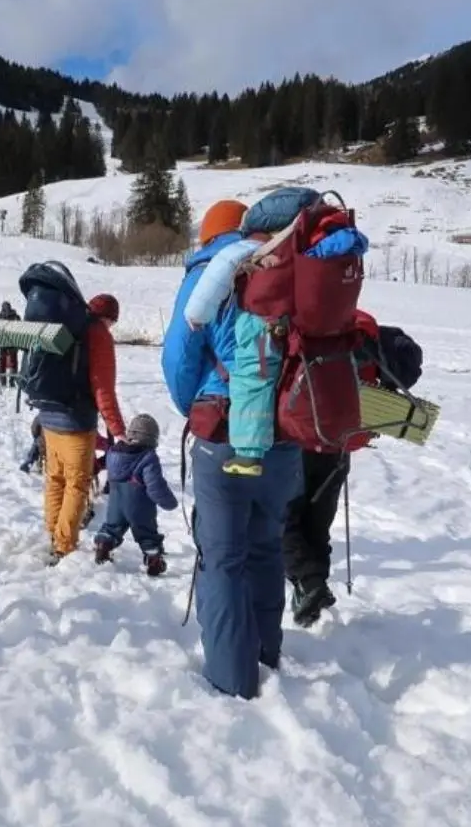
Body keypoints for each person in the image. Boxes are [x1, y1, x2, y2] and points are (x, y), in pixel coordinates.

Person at [161, 199, 302, 699]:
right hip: (286, 438)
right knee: (266, 547)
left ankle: (231, 679)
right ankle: (266, 655)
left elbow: (178, 357)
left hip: (223, 435)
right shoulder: (293, 265)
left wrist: (195, 408)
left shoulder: (210, 273)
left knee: (222, 559)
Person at [184, 200, 368, 477]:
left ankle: (248, 454)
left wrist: (197, 315)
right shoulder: (306, 247)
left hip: (259, 323)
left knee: (251, 381)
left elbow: (212, 284)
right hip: (293, 327)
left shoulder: (249, 246)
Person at [285, 310, 424, 626]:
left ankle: (308, 583)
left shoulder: (300, 322)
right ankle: (311, 588)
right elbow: (400, 370)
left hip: (299, 440)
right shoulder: (366, 331)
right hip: (340, 443)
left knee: (286, 518)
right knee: (317, 522)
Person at [37, 291, 127, 564]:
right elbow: (103, 387)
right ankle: (64, 546)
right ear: (110, 318)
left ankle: (55, 534)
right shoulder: (98, 334)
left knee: (55, 478)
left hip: (48, 414)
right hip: (75, 421)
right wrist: (117, 429)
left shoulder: (69, 327)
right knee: (77, 484)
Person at [93, 414, 177, 575]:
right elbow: (155, 486)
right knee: (147, 533)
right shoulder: (148, 457)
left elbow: (103, 463)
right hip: (140, 506)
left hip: (116, 503)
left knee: (111, 527)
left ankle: (103, 545)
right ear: (153, 439)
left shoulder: (114, 452)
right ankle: (153, 560)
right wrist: (169, 502)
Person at [0, 300, 20, 387]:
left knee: (12, 362)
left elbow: (20, 328)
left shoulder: (15, 316)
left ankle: (12, 381)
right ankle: (3, 382)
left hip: (12, 342)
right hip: (3, 343)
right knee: (3, 362)